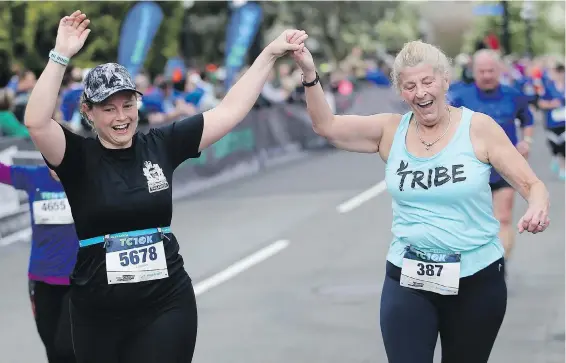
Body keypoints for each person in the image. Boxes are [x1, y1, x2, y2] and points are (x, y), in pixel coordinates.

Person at [23, 10, 307, 363]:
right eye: (108, 109)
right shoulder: (75, 156)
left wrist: (268, 54)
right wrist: (61, 54)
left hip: (166, 304)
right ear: (88, 112)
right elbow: (35, 121)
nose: (122, 117)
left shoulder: (160, 144)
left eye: (128, 105)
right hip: (97, 313)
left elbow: (230, 110)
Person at [291, 39, 550, 363]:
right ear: (401, 91)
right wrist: (309, 74)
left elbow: (532, 184)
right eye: (410, 86)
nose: (421, 92)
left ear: (444, 81)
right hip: (409, 276)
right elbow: (326, 126)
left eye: (427, 82)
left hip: (476, 279)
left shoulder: (478, 128)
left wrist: (537, 206)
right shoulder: (390, 130)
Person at [447, 49, 535, 262]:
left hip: (504, 168)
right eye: (482, 71)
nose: (486, 75)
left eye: (491, 70)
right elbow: (445, 125)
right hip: (470, 168)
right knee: (472, 221)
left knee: (503, 218)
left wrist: (527, 141)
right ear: (474, 72)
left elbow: (528, 120)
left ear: (499, 70)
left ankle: (498, 265)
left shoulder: (513, 95)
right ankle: (474, 264)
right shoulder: (460, 96)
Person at [0, 160, 77, 363]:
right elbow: (2, 172)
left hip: (78, 279)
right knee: (52, 348)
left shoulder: (85, 175)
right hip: (41, 278)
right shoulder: (33, 176)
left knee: (67, 348)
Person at [538, 63, 565, 180]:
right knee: (555, 145)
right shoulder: (549, 87)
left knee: (564, 146)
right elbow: (541, 103)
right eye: (558, 73)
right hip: (552, 122)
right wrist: (551, 104)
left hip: (564, 123)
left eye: (562, 73)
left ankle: (563, 168)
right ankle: (556, 159)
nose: (561, 75)